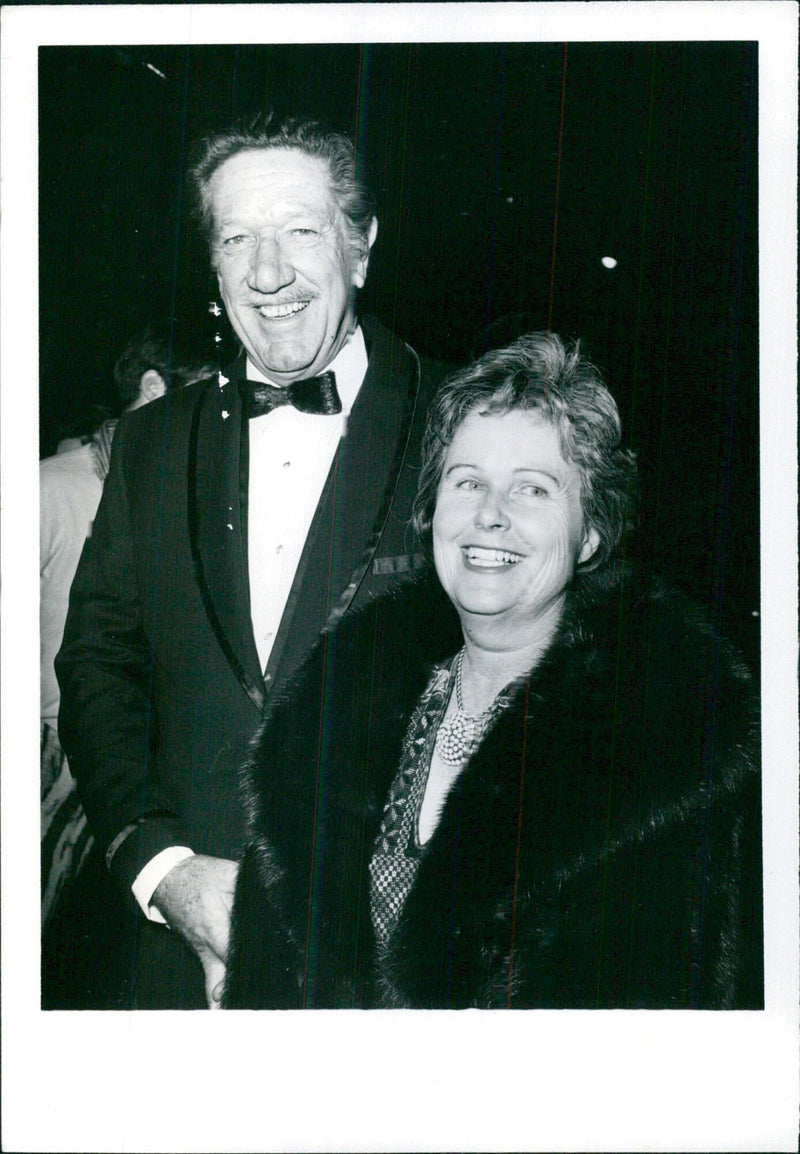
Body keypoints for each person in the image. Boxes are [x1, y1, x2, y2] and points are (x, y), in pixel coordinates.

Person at [224, 331, 763, 1010]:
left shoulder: (665, 754)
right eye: (468, 481)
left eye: (532, 489)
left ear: (590, 531)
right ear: (433, 510)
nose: (489, 516)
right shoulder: (329, 719)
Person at [55, 116, 449, 1009]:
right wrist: (162, 868)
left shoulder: (460, 427)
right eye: (238, 238)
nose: (268, 274)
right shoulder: (151, 444)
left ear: (361, 246)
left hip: (393, 972)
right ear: (214, 264)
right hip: (172, 964)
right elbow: (97, 664)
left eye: (300, 231)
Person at [40, 321, 214, 942]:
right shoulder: (47, 488)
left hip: (119, 756)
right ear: (151, 388)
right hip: (45, 748)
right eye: (196, 393)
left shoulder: (170, 492)